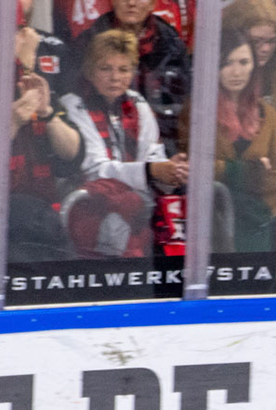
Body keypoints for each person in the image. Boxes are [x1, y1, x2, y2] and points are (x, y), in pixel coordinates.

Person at [0, 10, 82, 259]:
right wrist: (10, 125)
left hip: (41, 213)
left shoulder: (32, 78)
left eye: (12, 32)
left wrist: (48, 114)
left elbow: (73, 154)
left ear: (23, 36)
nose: (4, 40)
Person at [59, 28, 185, 257]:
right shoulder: (72, 105)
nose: (115, 77)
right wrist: (151, 171)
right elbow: (95, 170)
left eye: (123, 69)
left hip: (137, 203)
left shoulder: (137, 103)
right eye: (105, 68)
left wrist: (170, 172)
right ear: (90, 71)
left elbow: (152, 155)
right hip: (89, 204)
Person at [71, 0, 188, 152]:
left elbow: (180, 108)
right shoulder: (87, 43)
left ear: (153, 4)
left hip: (161, 150)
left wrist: (170, 156)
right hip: (100, 145)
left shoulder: (172, 45)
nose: (132, 3)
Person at [214, 26, 276, 251]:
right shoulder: (198, 111)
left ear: (254, 66)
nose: (236, 72)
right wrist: (249, 172)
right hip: (212, 227)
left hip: (255, 227)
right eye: (227, 63)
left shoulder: (268, 113)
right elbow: (194, 170)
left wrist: (226, 172)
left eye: (244, 62)